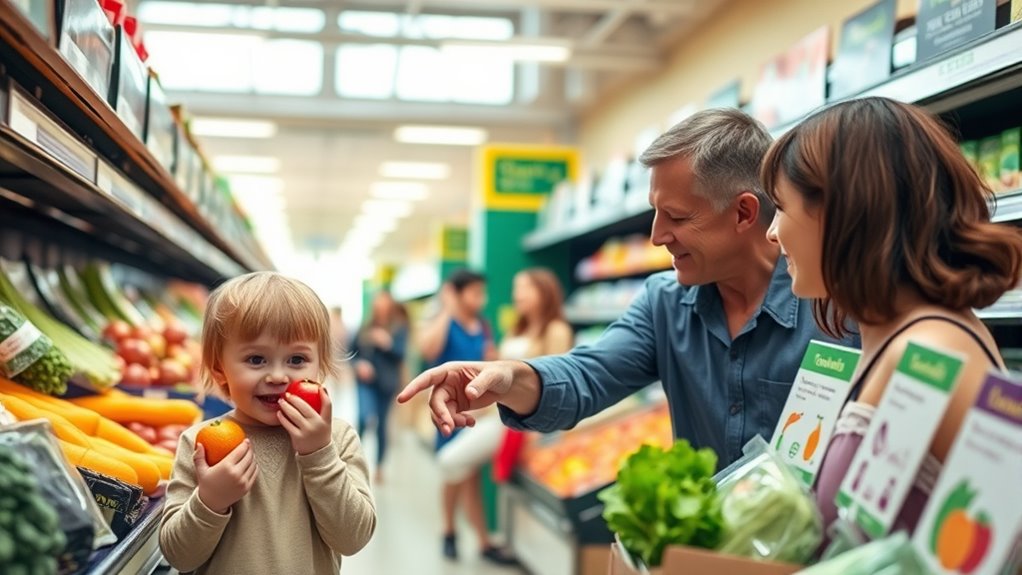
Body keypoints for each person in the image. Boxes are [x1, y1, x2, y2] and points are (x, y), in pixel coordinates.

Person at [399, 108, 856, 472]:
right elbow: (587, 375)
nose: (657, 236)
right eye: (654, 214)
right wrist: (506, 378)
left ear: (742, 213)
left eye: (676, 217)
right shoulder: (665, 303)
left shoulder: (840, 309)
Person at [761, 97, 1022, 539]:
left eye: (781, 208)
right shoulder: (890, 340)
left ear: (842, 212)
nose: (771, 233)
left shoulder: (927, 354)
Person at [159, 272, 377, 574]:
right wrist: (209, 501)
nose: (278, 376)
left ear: (321, 365)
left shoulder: (337, 439)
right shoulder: (200, 444)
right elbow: (178, 556)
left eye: (297, 360)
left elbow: (352, 538)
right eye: (257, 360)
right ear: (219, 368)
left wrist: (320, 455)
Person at [416, 269, 515, 566]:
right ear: (456, 293)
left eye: (482, 293)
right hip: (448, 410)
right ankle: (449, 531)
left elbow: (490, 359)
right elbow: (428, 349)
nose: (481, 299)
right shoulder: (443, 323)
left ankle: (481, 540)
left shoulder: (483, 326)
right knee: (454, 473)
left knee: (470, 476)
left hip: (478, 413)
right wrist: (447, 308)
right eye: (474, 292)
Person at [351, 291, 408, 484]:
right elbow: (352, 352)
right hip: (365, 382)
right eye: (378, 305)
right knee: (363, 417)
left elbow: (401, 354)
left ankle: (379, 466)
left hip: (386, 384)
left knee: (381, 425)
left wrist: (387, 343)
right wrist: (358, 365)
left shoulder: (399, 328)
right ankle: (353, 459)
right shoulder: (365, 327)